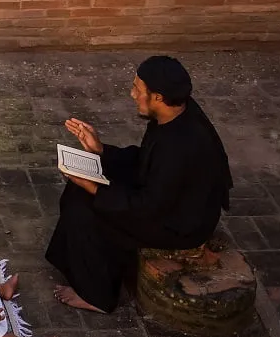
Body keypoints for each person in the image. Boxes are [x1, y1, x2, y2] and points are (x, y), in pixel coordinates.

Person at [46, 56, 234, 313]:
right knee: (82, 190)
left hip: (179, 225)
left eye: (137, 89)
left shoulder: (180, 147)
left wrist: (95, 189)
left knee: (84, 210)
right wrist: (103, 151)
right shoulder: (177, 113)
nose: (132, 94)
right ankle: (97, 268)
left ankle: (98, 296)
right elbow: (146, 161)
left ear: (157, 96)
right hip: (164, 200)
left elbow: (148, 207)